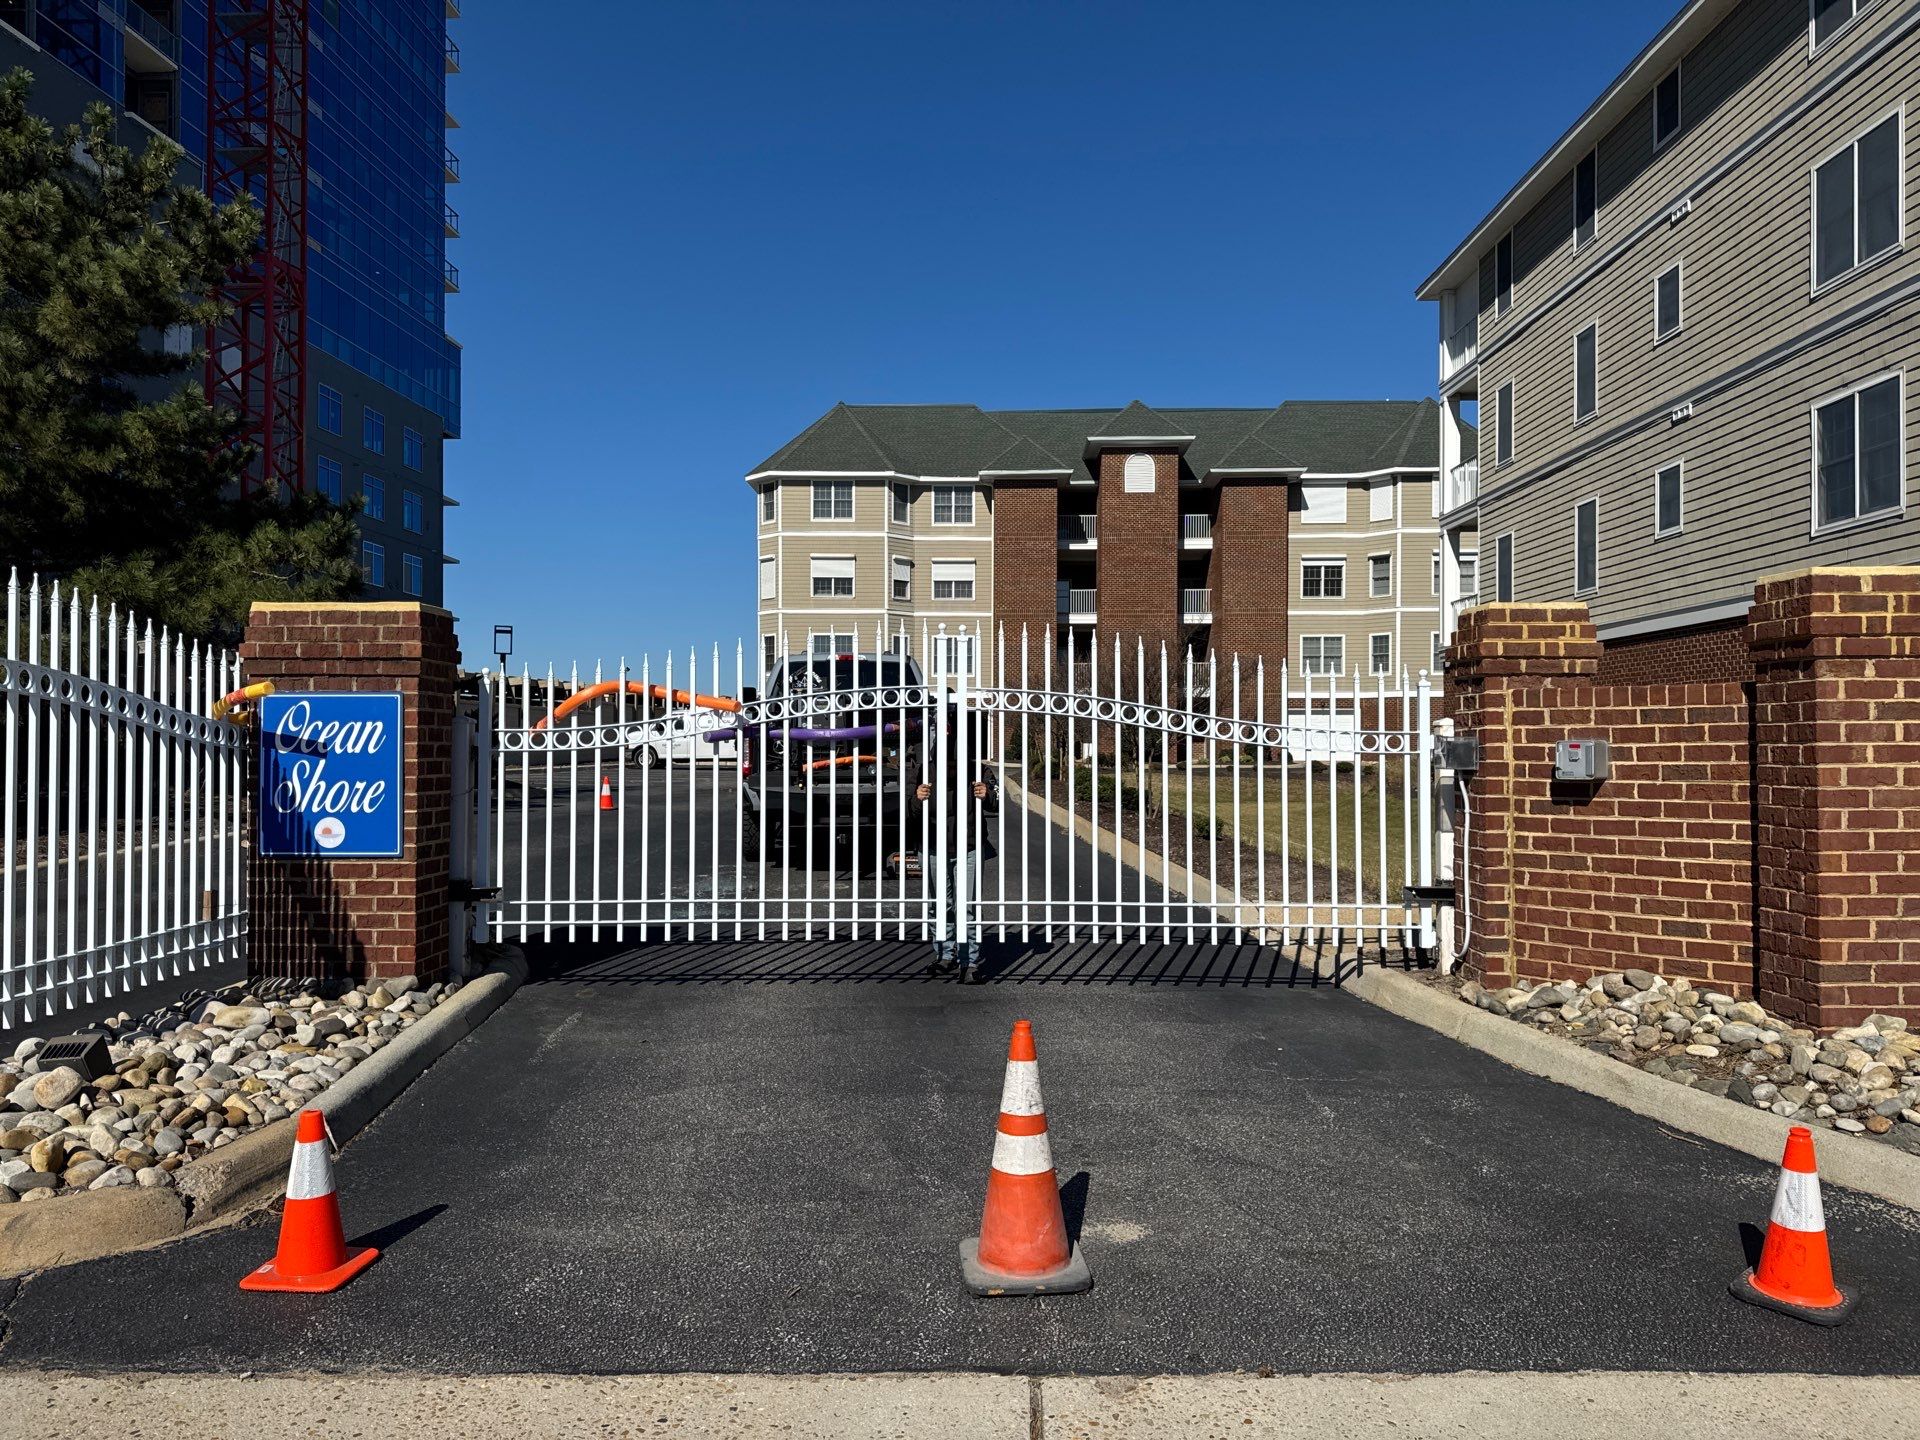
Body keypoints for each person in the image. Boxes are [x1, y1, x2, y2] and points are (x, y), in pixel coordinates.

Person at [916, 705, 996, 981]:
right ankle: (945, 955)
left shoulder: (977, 769)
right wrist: (918, 797)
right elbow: (911, 809)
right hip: (934, 844)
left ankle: (969, 961)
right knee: (939, 904)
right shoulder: (925, 772)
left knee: (968, 905)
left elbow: (996, 802)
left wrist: (987, 794)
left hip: (969, 846)